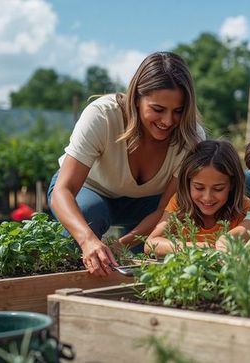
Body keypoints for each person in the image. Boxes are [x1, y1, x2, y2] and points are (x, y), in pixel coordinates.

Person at [47, 52, 205, 277]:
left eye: (178, 111)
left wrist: (123, 243)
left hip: (147, 205)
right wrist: (88, 240)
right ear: (136, 99)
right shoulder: (102, 115)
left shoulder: (191, 138)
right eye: (158, 109)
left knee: (159, 244)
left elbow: (165, 210)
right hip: (89, 190)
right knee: (88, 217)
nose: (168, 121)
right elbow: (63, 190)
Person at [145, 140, 250, 256]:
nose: (207, 198)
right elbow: (150, 244)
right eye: (199, 188)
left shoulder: (244, 207)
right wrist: (196, 248)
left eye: (218, 189)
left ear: (232, 184)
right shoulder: (180, 203)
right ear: (188, 182)